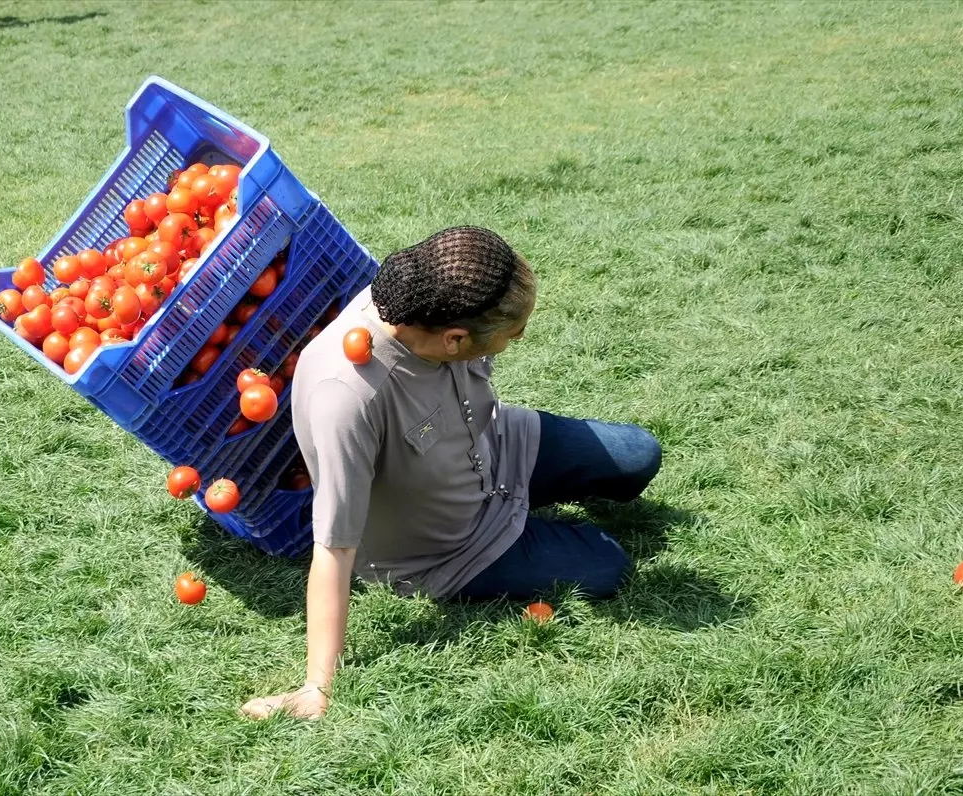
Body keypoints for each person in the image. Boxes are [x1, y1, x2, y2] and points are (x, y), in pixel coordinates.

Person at [240, 226, 662, 720]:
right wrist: (317, 686)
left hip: (500, 447)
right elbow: (333, 547)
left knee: (640, 454)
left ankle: (536, 519)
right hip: (447, 547)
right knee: (609, 564)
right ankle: (524, 537)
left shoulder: (424, 299)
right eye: (512, 333)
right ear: (456, 339)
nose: (519, 338)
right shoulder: (349, 396)